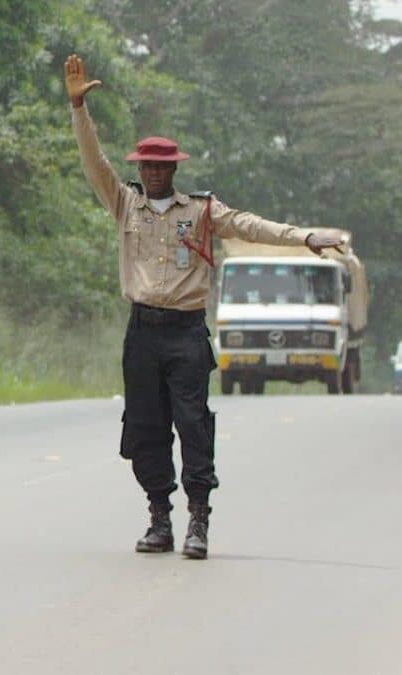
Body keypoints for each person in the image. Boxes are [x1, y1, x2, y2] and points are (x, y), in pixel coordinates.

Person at [64, 53, 343, 559]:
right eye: (145, 165)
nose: (151, 172)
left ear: (173, 169)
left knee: (193, 423)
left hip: (187, 334)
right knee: (146, 427)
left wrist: (305, 237)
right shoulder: (124, 202)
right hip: (143, 332)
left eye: (160, 166)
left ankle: (198, 520)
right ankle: (159, 518)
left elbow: (252, 225)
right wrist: (78, 107)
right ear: (139, 169)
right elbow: (93, 162)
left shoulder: (202, 211)